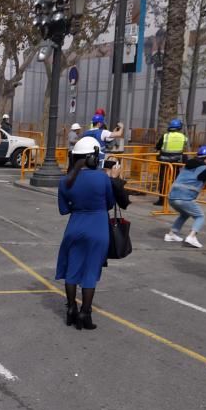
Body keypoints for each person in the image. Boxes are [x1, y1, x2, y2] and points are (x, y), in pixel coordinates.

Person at [55, 137, 117, 331]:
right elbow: (110, 203)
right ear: (93, 158)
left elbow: (64, 210)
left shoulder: (65, 180)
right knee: (90, 272)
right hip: (98, 228)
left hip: (75, 227)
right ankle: (85, 313)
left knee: (72, 272)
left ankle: (71, 308)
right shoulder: (102, 178)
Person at [164, 145, 206, 248]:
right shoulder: (205, 168)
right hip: (185, 198)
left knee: (185, 214)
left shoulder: (188, 165)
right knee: (200, 216)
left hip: (172, 197)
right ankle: (192, 237)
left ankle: (171, 234)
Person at [154, 118, 188, 205]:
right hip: (176, 162)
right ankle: (175, 199)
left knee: (163, 180)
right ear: (179, 127)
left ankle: (162, 200)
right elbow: (184, 146)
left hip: (165, 162)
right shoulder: (183, 137)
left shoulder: (166, 136)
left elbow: (158, 146)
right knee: (175, 180)